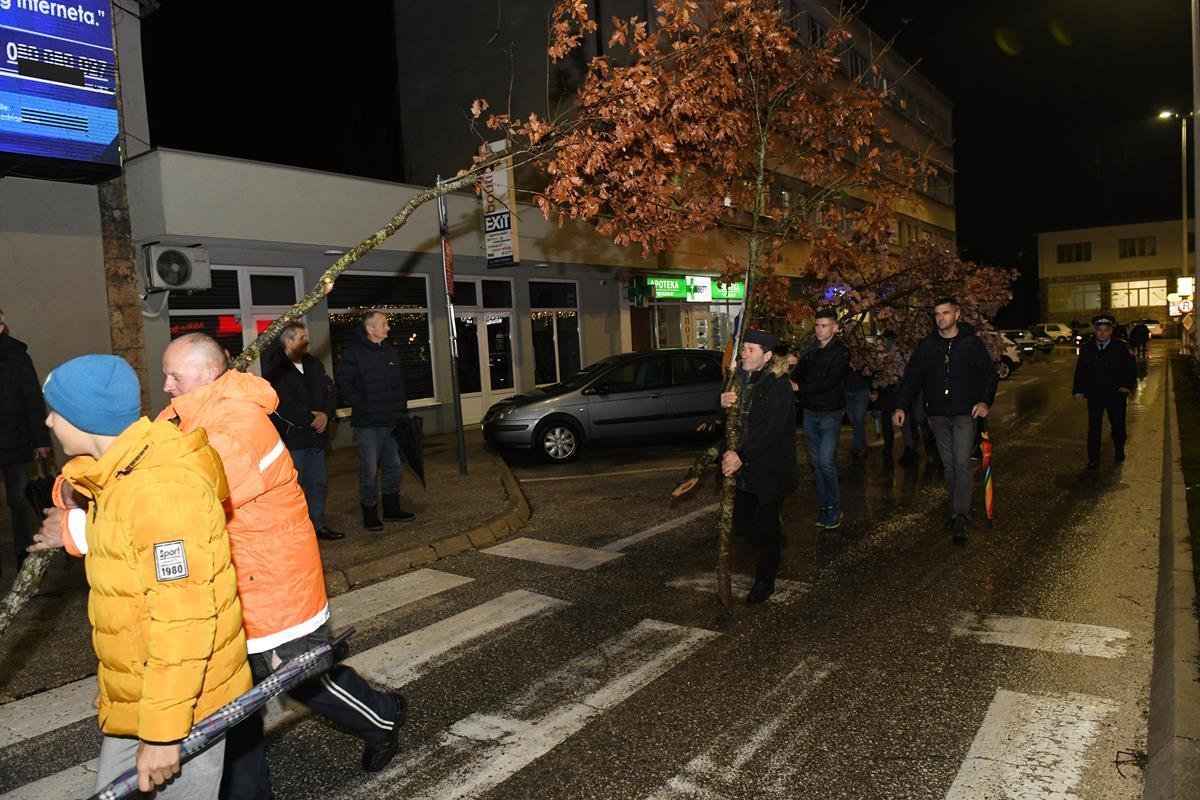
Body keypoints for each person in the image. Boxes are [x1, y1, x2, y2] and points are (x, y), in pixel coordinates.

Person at [157, 334, 406, 799]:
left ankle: (382, 716)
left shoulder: (236, 427)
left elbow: (181, 503)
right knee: (233, 699)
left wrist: (83, 530)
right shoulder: (186, 414)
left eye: (175, 375)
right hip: (232, 581)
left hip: (274, 585)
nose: (166, 385)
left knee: (302, 680)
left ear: (208, 374)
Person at [29, 354, 251, 798]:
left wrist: (164, 735)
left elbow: (184, 623)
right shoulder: (118, 477)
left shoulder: (160, 493)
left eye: (57, 411)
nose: (49, 422)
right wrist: (121, 684)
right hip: (148, 690)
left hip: (188, 703)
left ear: (87, 418)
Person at [893, 298, 997, 543]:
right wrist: (901, 406)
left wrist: (984, 402)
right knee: (949, 466)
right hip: (938, 414)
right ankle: (955, 510)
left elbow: (990, 375)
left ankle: (960, 515)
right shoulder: (927, 346)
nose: (940, 318)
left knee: (961, 463)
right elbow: (912, 378)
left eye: (945, 313)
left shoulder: (971, 344)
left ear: (957, 314)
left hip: (965, 413)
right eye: (937, 314)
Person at [719, 329, 797, 604]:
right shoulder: (737, 379)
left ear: (767, 356)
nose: (744, 353)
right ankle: (773, 541)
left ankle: (766, 579)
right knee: (742, 520)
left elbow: (771, 429)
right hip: (744, 467)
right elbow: (728, 420)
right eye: (744, 348)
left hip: (770, 467)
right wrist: (722, 402)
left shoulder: (779, 385)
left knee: (766, 523)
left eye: (751, 349)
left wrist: (740, 454)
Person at [333, 310, 415, 531]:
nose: (388, 327)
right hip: (368, 424)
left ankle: (391, 509)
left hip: (391, 421)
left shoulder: (391, 351)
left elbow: (399, 382)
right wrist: (363, 405)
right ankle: (370, 513)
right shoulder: (354, 353)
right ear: (370, 329)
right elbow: (343, 383)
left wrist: (400, 406)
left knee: (394, 467)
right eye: (384, 324)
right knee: (369, 472)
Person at [262, 321, 344, 540]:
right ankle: (295, 532)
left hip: (316, 438)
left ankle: (317, 526)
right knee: (293, 489)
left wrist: (326, 414)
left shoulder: (313, 363)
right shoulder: (275, 370)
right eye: (301, 337)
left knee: (318, 484)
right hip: (293, 440)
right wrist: (311, 418)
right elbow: (283, 403)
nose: (307, 340)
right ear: (288, 341)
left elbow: (330, 391)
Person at [0, 309, 51, 572]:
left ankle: (23, 551)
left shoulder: (17, 356)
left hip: (15, 438)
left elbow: (32, 400)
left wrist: (41, 440)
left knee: (17, 498)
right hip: (14, 437)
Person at [793, 309, 850, 528]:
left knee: (826, 462)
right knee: (817, 464)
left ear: (835, 328)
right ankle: (825, 507)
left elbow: (830, 381)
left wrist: (800, 388)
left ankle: (834, 508)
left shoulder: (841, 352)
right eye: (817, 325)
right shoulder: (811, 350)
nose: (819, 330)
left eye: (824, 326)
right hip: (810, 413)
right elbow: (799, 373)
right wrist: (791, 366)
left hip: (830, 414)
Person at [1072, 314, 1136, 468]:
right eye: (1099, 330)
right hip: (1095, 394)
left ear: (1111, 331)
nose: (1102, 333)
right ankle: (1093, 459)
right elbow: (1080, 370)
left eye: (1105, 330)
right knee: (1094, 426)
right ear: (1095, 330)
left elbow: (1130, 369)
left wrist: (1126, 386)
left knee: (1118, 425)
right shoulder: (1087, 348)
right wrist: (1078, 389)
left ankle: (1119, 450)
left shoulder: (1120, 347)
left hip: (1116, 394)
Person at [844, 368, 871, 459]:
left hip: (862, 389)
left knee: (858, 419)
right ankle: (860, 447)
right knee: (854, 421)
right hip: (848, 390)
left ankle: (858, 448)